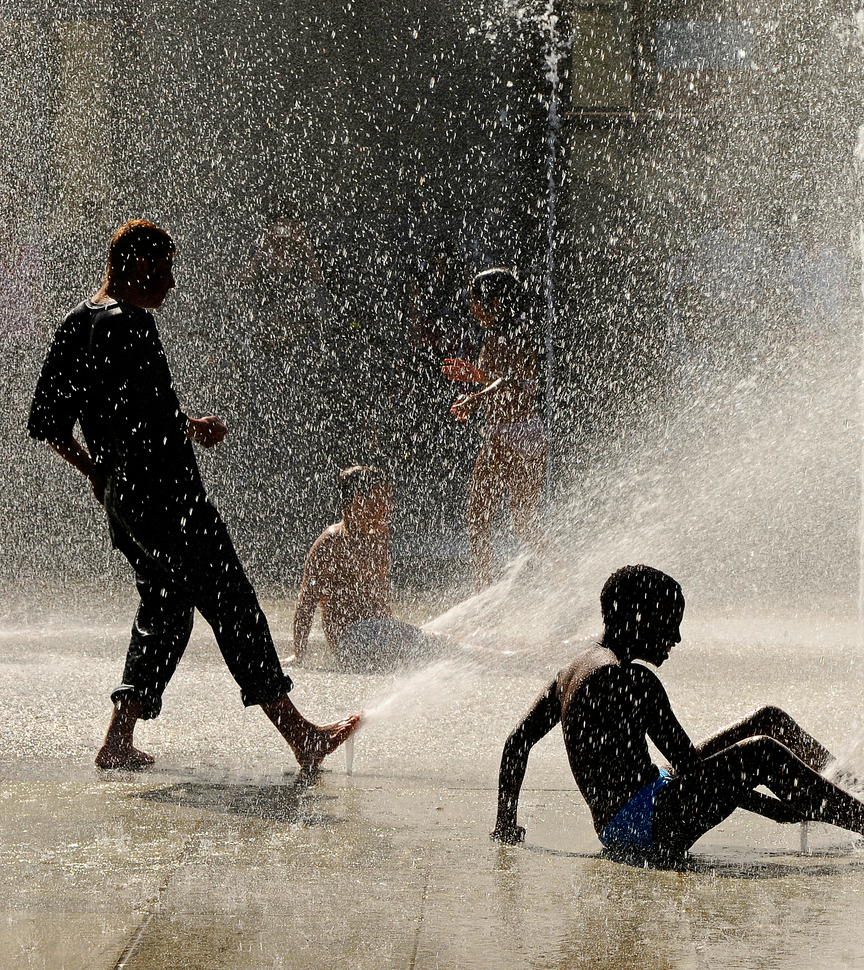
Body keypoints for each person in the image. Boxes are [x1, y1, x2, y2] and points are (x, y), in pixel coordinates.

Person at [27, 220, 359, 770]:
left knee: (165, 606)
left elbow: (47, 424)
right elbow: (153, 419)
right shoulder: (131, 324)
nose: (173, 282)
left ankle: (117, 740)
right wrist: (188, 429)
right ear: (136, 265)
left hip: (124, 502)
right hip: (170, 498)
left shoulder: (73, 324)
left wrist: (97, 473)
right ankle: (301, 735)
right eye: (164, 268)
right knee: (234, 605)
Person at [491, 565, 864, 865]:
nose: (675, 640)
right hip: (643, 831)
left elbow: (517, 743)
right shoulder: (631, 680)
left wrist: (505, 825)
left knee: (767, 719)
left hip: (638, 809)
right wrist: (772, 808)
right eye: (669, 627)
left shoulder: (573, 670)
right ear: (640, 620)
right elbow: (696, 771)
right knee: (763, 753)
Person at [286, 465, 461, 674]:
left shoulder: (379, 535)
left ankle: (493, 660)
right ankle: (497, 661)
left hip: (383, 632)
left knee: (443, 644)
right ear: (359, 500)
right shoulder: (330, 543)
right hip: (351, 644)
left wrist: (395, 629)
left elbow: (380, 596)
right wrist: (299, 654)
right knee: (443, 647)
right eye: (383, 498)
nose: (391, 505)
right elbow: (306, 602)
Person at [441, 267, 550, 589]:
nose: (473, 308)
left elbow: (512, 382)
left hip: (508, 436)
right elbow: (512, 381)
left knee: (478, 518)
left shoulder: (508, 334)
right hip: (529, 435)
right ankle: (568, 582)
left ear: (496, 302)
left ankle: (483, 592)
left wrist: (476, 396)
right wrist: (479, 380)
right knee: (526, 524)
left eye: (476, 301)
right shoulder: (513, 332)